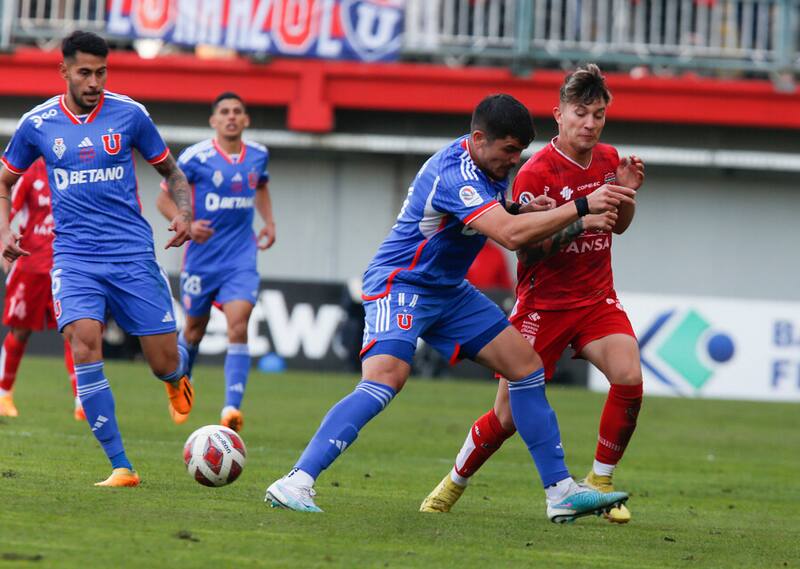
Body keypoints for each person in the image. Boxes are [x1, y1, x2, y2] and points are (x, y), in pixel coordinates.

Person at [265, 93, 637, 523]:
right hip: (401, 282)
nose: (514, 161)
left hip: (447, 290)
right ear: (479, 139)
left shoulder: (488, 164)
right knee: (386, 378)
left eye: (519, 151)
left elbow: (493, 215)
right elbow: (510, 236)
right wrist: (582, 207)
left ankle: (560, 493)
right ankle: (296, 480)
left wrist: (518, 207)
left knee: (525, 367)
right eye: (509, 150)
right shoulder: (455, 173)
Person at [419, 64, 645, 524]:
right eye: (580, 113)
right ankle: (453, 482)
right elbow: (527, 250)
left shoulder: (608, 159)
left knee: (629, 377)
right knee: (505, 417)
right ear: (559, 115)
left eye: (598, 115)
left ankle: (600, 483)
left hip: (595, 298)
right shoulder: (535, 172)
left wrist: (624, 194)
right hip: (544, 305)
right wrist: (578, 220)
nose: (590, 124)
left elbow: (618, 227)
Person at [0, 31, 195, 487]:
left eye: (101, 72)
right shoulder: (37, 123)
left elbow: (173, 173)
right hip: (74, 258)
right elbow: (3, 182)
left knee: (162, 361)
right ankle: (121, 466)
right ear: (64, 71)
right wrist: (5, 228)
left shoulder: (130, 114)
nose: (94, 82)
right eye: (85, 72)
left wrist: (184, 214)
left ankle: (175, 376)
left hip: (131, 256)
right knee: (84, 342)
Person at [156, 92, 276, 432]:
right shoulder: (196, 157)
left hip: (241, 257)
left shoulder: (258, 155)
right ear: (214, 121)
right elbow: (163, 198)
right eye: (224, 112)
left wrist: (269, 221)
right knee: (194, 329)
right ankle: (181, 383)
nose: (231, 116)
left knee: (239, 324)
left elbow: (261, 186)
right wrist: (188, 224)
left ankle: (231, 409)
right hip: (202, 258)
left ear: (246, 119)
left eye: (237, 111)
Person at [0, 158, 80, 420]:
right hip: (30, 266)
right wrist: (4, 245)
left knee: (74, 331)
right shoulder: (28, 172)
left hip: (67, 265)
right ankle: (3, 394)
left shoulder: (76, 169)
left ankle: (82, 400)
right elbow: (7, 208)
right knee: (20, 331)